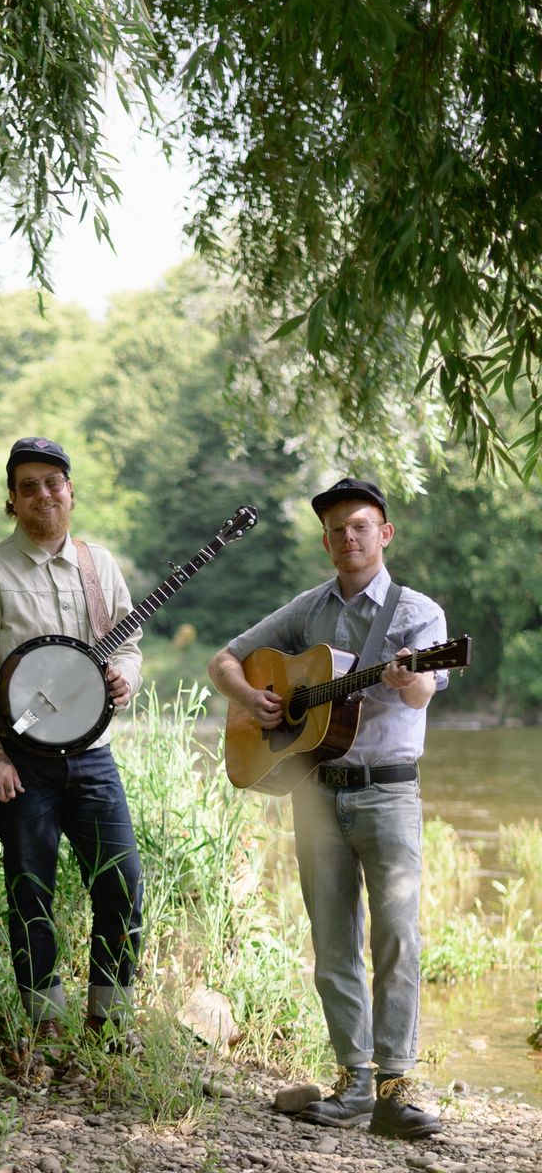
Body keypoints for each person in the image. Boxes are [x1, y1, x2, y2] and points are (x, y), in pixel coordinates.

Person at [207, 477, 448, 1140]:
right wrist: (256, 699)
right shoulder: (307, 610)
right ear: (326, 540)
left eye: (361, 526)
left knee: (397, 937)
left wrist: (412, 676)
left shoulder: (417, 614)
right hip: (316, 789)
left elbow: (427, 689)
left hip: (389, 790)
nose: (349, 538)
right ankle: (353, 1083)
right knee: (333, 941)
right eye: (337, 529)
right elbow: (224, 660)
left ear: (385, 533)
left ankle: (396, 1089)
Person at [0, 437, 144, 1044]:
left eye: (53, 482)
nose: (43, 495)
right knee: (30, 888)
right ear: (12, 499)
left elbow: (129, 645)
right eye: (28, 485)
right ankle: (46, 1023)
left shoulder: (99, 565)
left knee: (122, 880)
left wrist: (125, 676)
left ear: (70, 490)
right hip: (21, 761)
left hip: (92, 756)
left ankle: (110, 1017)